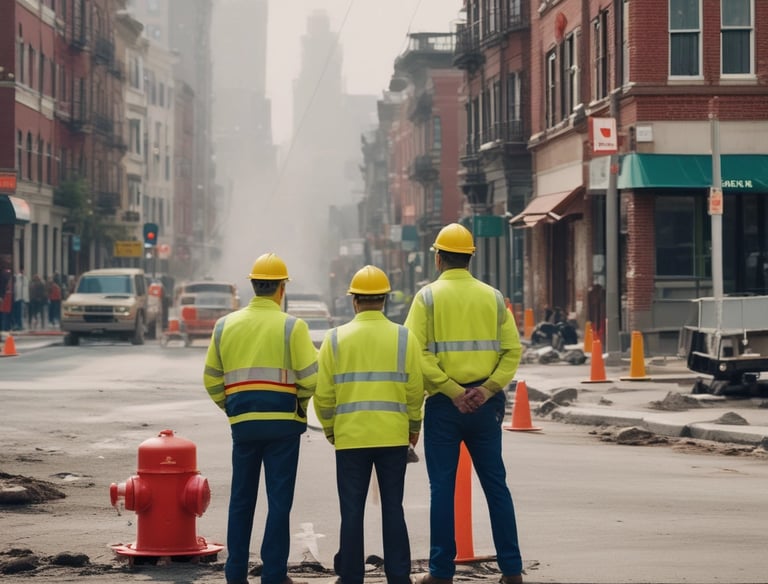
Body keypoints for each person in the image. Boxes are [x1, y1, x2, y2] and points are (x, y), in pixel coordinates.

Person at [403, 223, 524, 584]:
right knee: (496, 486)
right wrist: (486, 390)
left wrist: (452, 390)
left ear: (438, 258)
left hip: (444, 405)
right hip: (486, 406)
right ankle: (512, 570)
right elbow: (512, 350)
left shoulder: (426, 298)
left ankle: (441, 573)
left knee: (442, 489)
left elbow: (415, 352)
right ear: (471, 257)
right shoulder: (492, 296)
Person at [203, 253, 318, 584]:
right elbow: (311, 377)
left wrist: (233, 407)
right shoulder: (292, 327)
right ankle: (274, 574)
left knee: (241, 499)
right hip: (283, 425)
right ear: (282, 288)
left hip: (244, 425)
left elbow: (211, 379)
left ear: (253, 286)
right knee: (279, 503)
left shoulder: (225, 325)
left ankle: (235, 572)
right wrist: (300, 403)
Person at [314, 265, 423, 584]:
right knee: (393, 508)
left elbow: (323, 395)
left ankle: (350, 575)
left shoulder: (334, 340)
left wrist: (331, 428)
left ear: (354, 301)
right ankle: (399, 576)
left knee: (351, 511)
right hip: (393, 436)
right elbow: (415, 391)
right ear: (385, 300)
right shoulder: (405, 338)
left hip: (350, 438)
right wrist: (413, 427)